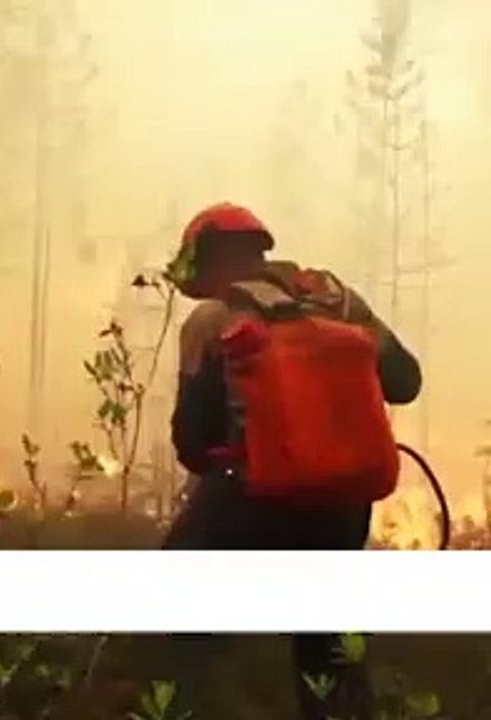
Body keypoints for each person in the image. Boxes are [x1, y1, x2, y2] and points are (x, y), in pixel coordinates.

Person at [160, 202, 422, 719]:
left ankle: (193, 706)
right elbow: (406, 382)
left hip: (252, 499)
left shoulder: (213, 319)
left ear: (210, 262)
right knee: (328, 655)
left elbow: (190, 442)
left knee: (178, 609)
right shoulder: (339, 301)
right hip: (344, 505)